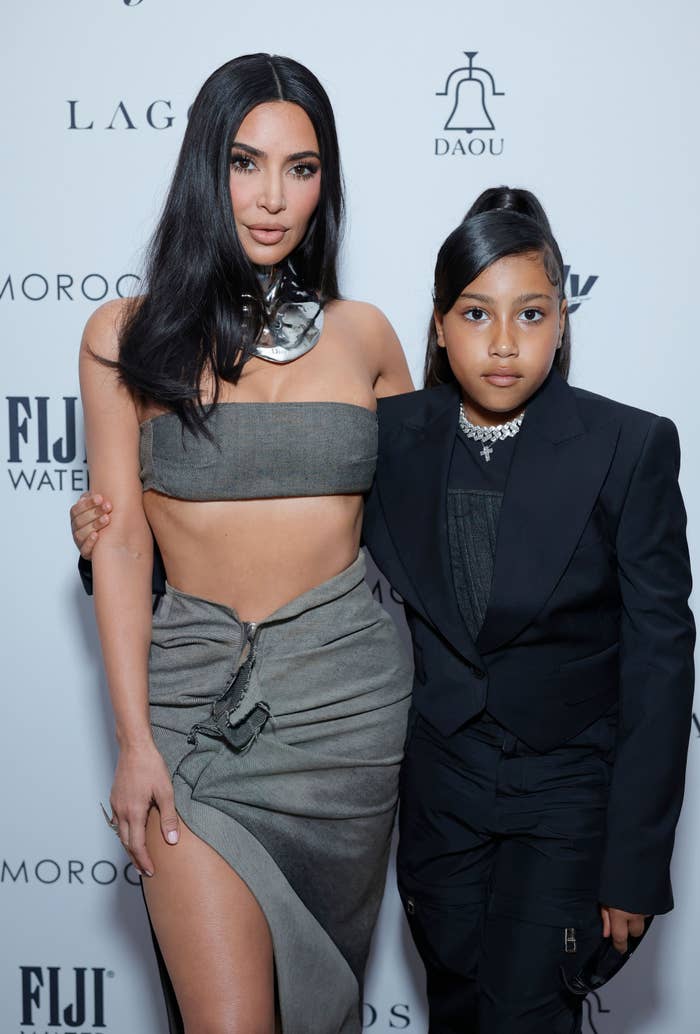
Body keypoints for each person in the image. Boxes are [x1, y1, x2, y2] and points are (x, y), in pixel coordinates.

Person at [76, 52, 413, 1034]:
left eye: (301, 168)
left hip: (348, 716)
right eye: (245, 162)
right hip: (190, 721)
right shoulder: (124, 338)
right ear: (202, 169)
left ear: (326, 183)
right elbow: (126, 544)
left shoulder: (367, 337)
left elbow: (436, 525)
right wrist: (135, 743)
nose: (273, 197)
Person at [360, 190, 695, 1032]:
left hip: (569, 798)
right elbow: (278, 533)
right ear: (438, 325)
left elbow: (661, 665)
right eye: (476, 313)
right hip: (440, 798)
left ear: (561, 322)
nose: (504, 342)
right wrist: (122, 553)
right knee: (459, 1011)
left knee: (527, 1017)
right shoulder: (389, 437)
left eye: (531, 314)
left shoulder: (629, 446)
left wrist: (634, 866)